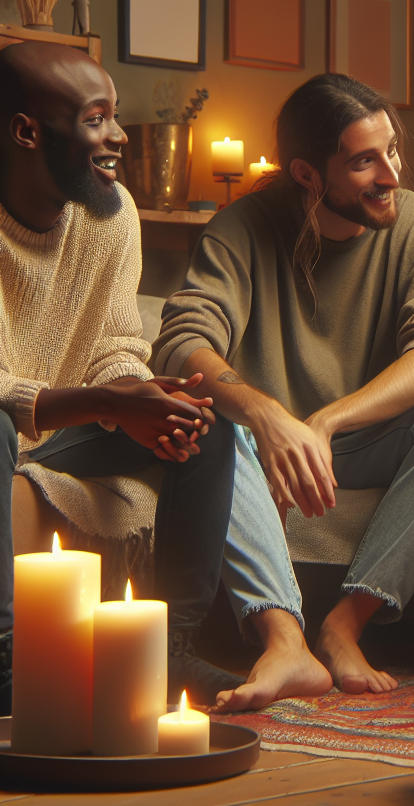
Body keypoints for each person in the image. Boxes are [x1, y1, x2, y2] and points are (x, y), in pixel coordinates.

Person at [153, 72, 414, 711]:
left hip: (371, 443)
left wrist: (326, 422)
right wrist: (266, 414)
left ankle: (345, 624)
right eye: (364, 162)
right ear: (307, 174)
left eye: (392, 150)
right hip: (263, 454)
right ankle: (285, 642)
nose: (390, 174)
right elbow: (182, 341)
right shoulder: (243, 226)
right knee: (208, 415)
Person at [0, 41, 239, 715]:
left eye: (114, 115)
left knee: (203, 420)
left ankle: (169, 648)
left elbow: (113, 341)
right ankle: (5, 655)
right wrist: (108, 401)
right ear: (26, 132)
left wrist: (138, 392)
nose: (118, 135)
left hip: (65, 431)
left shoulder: (112, 213)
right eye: (96, 118)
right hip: (10, 428)